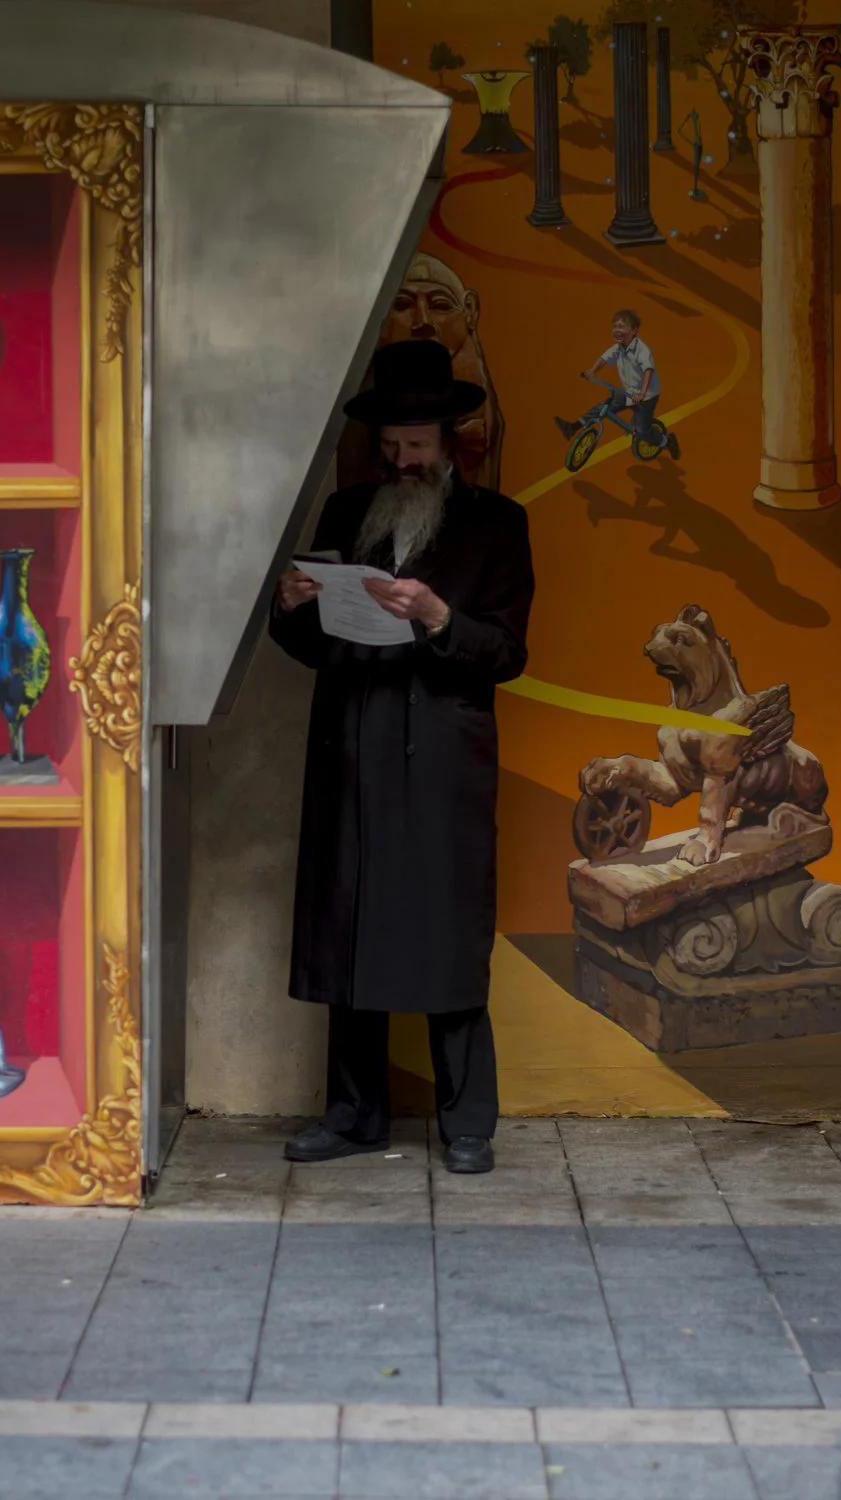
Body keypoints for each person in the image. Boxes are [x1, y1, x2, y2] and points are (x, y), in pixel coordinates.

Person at [270, 340, 534, 1175]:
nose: (400, 460)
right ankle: (353, 1114)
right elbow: (313, 646)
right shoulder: (349, 515)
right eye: (390, 446)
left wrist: (437, 617)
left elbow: (506, 652)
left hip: (442, 762)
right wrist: (292, 609)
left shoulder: (497, 524)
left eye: (415, 445)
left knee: (443, 934)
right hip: (351, 744)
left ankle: (467, 1122)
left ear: (450, 439)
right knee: (349, 929)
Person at [554, 308, 681, 460]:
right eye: (614, 326)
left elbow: (648, 370)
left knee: (641, 431)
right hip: (629, 392)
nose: (616, 330)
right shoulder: (618, 348)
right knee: (604, 406)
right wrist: (592, 371)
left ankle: (667, 442)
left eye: (621, 327)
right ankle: (573, 427)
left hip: (646, 396)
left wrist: (642, 393)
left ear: (634, 330)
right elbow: (605, 359)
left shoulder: (642, 350)